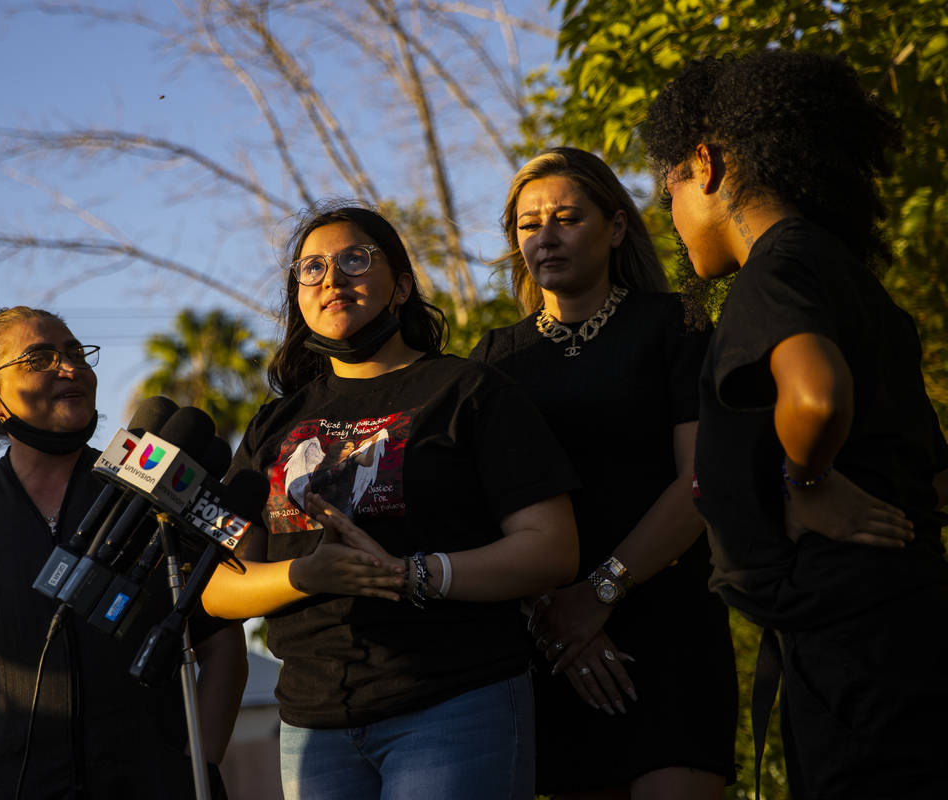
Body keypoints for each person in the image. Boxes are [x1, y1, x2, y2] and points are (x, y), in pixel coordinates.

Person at [642, 50, 948, 799]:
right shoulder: (849, 277)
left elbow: (816, 397)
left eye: (668, 186)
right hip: (905, 622)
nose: (669, 214)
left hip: (851, 644)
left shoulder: (773, 271)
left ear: (706, 164)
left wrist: (805, 479)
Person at [201, 202, 581, 800]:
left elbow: (554, 548)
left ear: (401, 285)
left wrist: (414, 575)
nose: (332, 278)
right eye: (312, 267)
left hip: (453, 702)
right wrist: (306, 573)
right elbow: (220, 586)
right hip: (312, 723)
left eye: (355, 259)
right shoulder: (275, 423)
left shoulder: (468, 390)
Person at [0, 305, 248, 799]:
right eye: (38, 359)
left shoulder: (151, 489)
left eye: (74, 354)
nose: (69, 368)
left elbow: (222, 647)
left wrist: (197, 770)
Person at [471, 147, 737, 798]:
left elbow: (700, 479)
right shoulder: (494, 361)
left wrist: (599, 594)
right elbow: (481, 511)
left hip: (671, 628)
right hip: (553, 647)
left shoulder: (675, 325)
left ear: (616, 228)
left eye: (567, 217)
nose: (547, 236)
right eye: (529, 225)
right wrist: (560, 619)